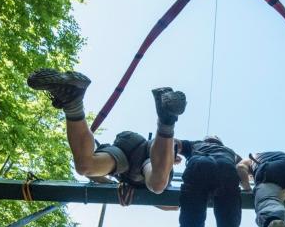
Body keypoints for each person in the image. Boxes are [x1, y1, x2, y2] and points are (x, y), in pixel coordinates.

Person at [27, 68, 184, 193]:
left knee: (85, 166)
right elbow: (173, 206)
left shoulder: (119, 175)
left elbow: (92, 174)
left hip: (126, 154)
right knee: (157, 184)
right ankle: (166, 121)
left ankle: (72, 99)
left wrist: (114, 184)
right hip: (146, 158)